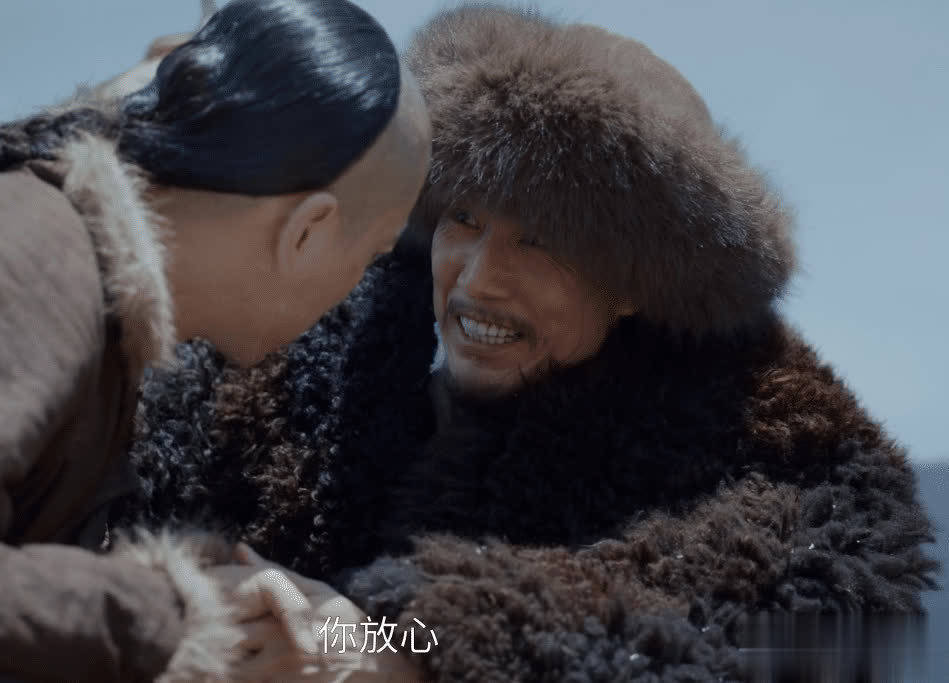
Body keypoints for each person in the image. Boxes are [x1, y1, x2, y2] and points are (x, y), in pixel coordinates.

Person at [124, 4, 939, 680]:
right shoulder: (301, 348)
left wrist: (393, 647)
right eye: (463, 218)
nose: (479, 279)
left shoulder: (761, 440)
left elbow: (776, 628)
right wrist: (199, 592)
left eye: (541, 241)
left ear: (631, 285)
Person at [0, 0, 430, 680]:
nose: (359, 290)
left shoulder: (106, 313)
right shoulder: (38, 259)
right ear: (307, 231)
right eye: (373, 253)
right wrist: (170, 621)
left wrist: (203, 594)